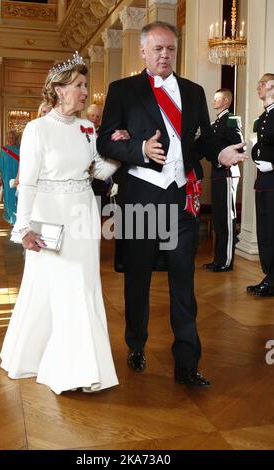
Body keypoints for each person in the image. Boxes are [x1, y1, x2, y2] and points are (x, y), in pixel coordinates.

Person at [97, 21, 247, 388]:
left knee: (184, 283)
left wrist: (221, 152)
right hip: (140, 199)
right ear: (143, 52)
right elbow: (105, 142)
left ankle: (187, 363)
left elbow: (203, 141)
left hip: (181, 200)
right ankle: (136, 345)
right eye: (158, 49)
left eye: (170, 49)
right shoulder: (123, 90)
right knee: (137, 279)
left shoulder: (193, 92)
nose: (165, 55)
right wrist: (139, 150)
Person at [0, 53, 119, 395]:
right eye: (79, 85)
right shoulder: (37, 130)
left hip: (83, 215)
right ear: (59, 89)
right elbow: (29, 183)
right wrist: (23, 229)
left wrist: (122, 155)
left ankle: (82, 366)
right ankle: (59, 365)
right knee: (53, 288)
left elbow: (97, 170)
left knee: (84, 287)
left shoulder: (87, 128)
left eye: (85, 85)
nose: (85, 92)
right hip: (50, 219)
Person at [203, 89, 243, 272]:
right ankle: (218, 259)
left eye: (216, 98)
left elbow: (239, 147)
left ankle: (226, 261)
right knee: (218, 218)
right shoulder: (215, 123)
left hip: (227, 173)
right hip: (217, 173)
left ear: (226, 101)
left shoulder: (231, 119)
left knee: (227, 218)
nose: (213, 101)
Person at [247, 74, 274, 297]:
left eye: (264, 83)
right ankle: (269, 275)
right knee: (264, 231)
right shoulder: (264, 116)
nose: (259, 86)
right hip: (263, 181)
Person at [0, 129, 20, 225]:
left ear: (15, 138)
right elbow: (0, 165)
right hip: (6, 178)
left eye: (12, 137)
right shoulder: (4, 150)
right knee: (9, 198)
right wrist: (1, 178)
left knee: (17, 198)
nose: (11, 139)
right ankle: (11, 219)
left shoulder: (20, 149)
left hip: (18, 177)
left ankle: (18, 218)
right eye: (9, 137)